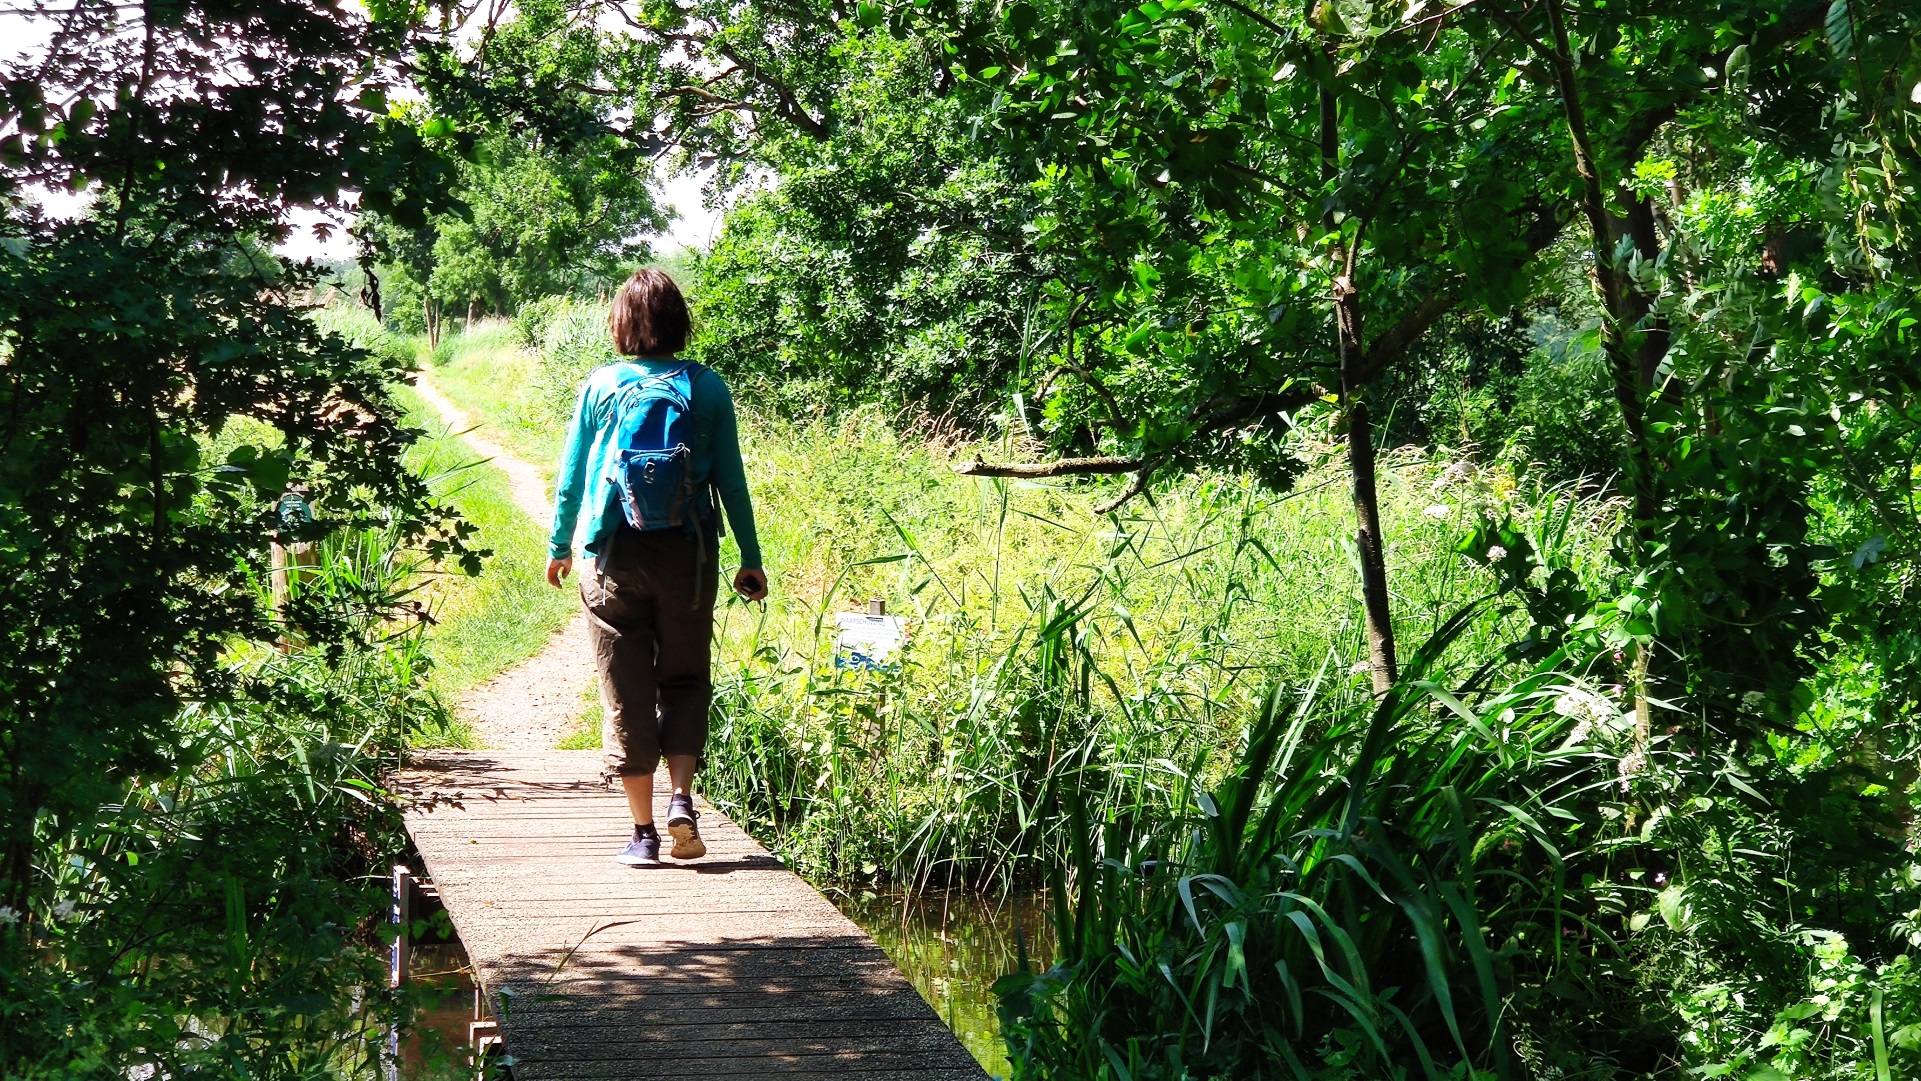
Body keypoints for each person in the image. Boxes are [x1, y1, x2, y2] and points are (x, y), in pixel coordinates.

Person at [546, 268, 768, 868]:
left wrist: (560, 544)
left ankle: (641, 833)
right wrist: (750, 557)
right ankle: (681, 801)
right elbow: (731, 480)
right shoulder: (707, 387)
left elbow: (572, 474)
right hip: (688, 554)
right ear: (678, 322)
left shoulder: (601, 385)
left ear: (622, 322)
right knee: (686, 678)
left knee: (625, 686)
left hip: (612, 554)